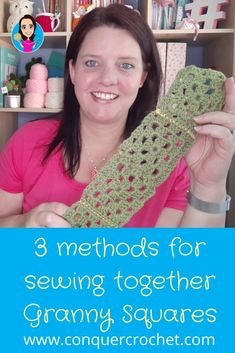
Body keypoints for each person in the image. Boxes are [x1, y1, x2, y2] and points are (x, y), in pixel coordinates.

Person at [0, 4, 234, 228]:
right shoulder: (26, 143)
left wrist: (208, 186)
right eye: (91, 63)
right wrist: (24, 224)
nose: (107, 78)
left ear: (143, 77)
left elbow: (190, 262)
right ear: (72, 71)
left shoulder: (172, 164)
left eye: (126, 66)